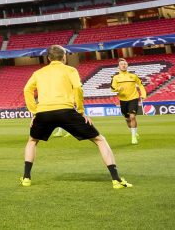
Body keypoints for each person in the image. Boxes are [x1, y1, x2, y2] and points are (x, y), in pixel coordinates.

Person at [20, 45, 132, 188]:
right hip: (66, 110)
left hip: (44, 113)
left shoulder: (38, 72)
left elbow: (27, 89)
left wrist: (34, 111)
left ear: (48, 58)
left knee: (32, 141)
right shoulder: (70, 70)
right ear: (64, 57)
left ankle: (26, 178)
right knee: (99, 139)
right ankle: (116, 179)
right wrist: (80, 111)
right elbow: (78, 88)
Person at [110, 59, 147, 145]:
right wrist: (117, 89)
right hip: (123, 100)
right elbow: (112, 88)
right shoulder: (115, 77)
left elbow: (141, 85)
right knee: (127, 119)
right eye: (122, 64)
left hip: (133, 98)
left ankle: (133, 137)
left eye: (125, 64)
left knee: (132, 117)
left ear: (127, 66)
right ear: (118, 67)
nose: (123, 65)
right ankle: (134, 132)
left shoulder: (133, 76)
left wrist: (143, 94)